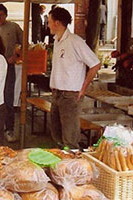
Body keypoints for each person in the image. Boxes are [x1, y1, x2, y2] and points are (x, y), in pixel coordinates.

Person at [48, 7, 100, 149]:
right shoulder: (57, 41)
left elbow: (95, 64)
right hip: (56, 93)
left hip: (70, 95)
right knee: (56, 133)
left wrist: (83, 88)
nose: (48, 25)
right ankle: (61, 166)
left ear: (57, 23)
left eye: (49, 22)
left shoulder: (75, 41)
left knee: (70, 138)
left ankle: (74, 167)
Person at [0, 4, 23, 142]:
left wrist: (16, 57)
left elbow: (24, 44)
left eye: (1, 15)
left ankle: (9, 129)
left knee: (8, 98)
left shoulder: (13, 27)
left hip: (8, 67)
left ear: (6, 15)